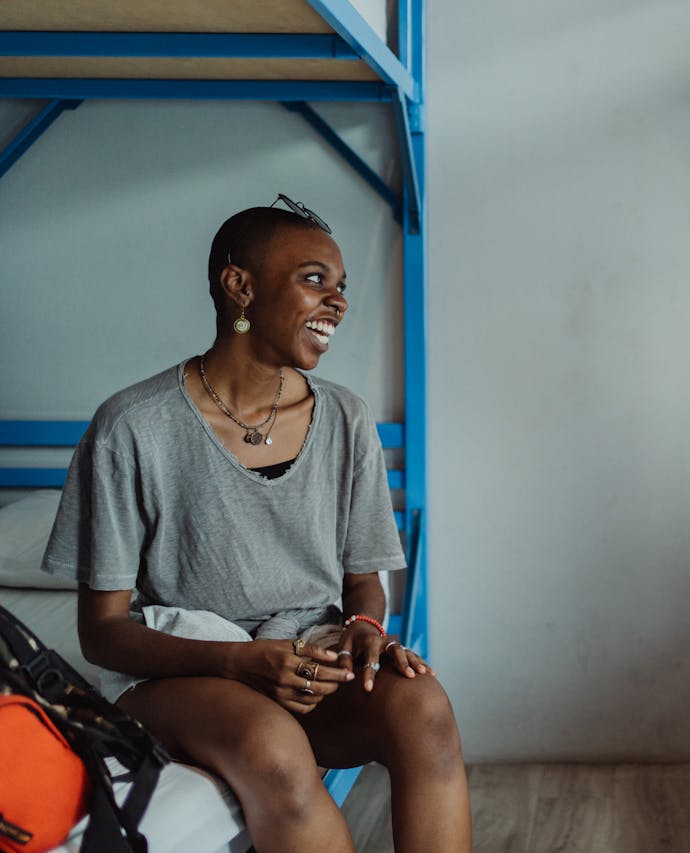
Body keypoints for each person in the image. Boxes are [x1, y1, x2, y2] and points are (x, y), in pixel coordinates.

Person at [42, 197, 471, 853]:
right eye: (314, 279)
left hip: (304, 657)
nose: (338, 302)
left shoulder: (347, 419)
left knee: (426, 709)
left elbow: (364, 584)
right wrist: (242, 662)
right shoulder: (131, 427)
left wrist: (364, 632)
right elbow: (102, 633)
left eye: (342, 287)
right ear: (238, 285)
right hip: (181, 676)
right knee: (273, 748)